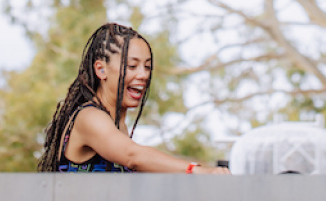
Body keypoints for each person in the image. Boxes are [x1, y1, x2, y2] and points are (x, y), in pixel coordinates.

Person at [38, 22, 229, 174]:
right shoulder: (89, 117)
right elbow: (133, 156)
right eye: (132, 66)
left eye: (147, 67)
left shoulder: (118, 125)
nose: (143, 74)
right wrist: (195, 170)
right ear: (101, 69)